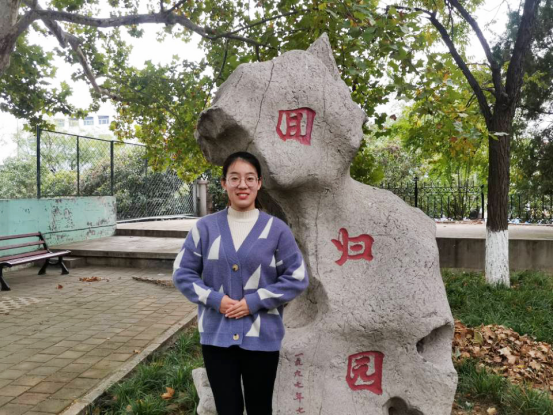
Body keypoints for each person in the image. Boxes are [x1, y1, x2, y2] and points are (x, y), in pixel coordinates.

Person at [173, 151, 309, 415]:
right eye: (234, 178)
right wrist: (217, 300)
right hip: (216, 336)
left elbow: (296, 277)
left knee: (260, 408)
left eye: (249, 178)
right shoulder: (205, 228)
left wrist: (253, 302)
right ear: (224, 183)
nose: (242, 185)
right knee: (227, 408)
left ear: (259, 183)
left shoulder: (277, 230)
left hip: (263, 335)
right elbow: (182, 273)